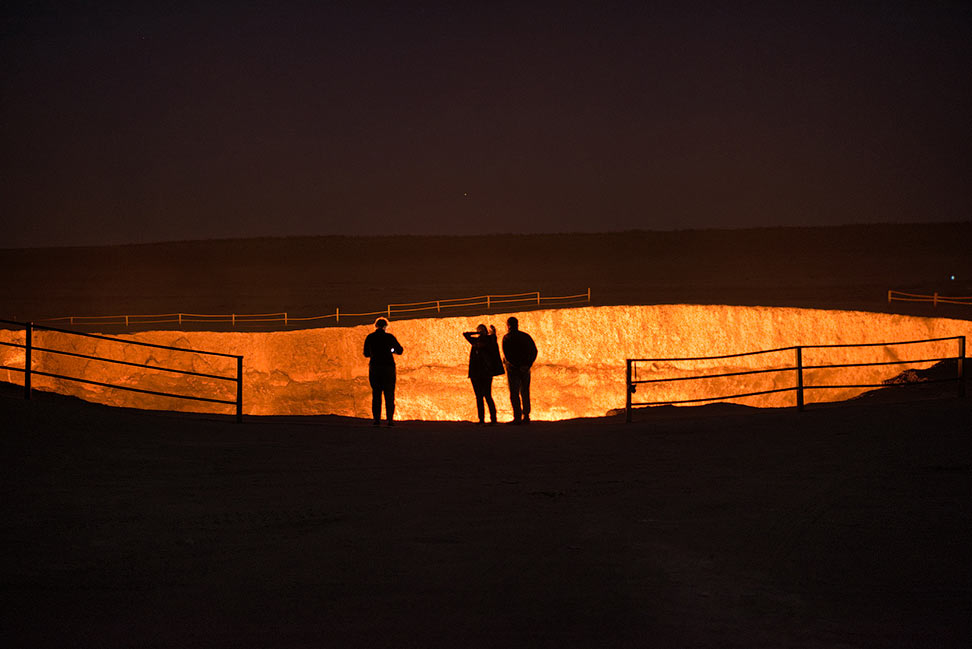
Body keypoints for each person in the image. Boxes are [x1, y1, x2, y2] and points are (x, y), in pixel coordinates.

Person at [363, 318, 403, 427]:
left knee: (376, 394)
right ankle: (390, 420)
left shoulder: (370, 337)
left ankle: (377, 420)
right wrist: (391, 350)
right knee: (389, 394)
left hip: (375, 368)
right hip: (388, 368)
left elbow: (366, 353)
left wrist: (374, 353)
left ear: (375, 326)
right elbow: (400, 350)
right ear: (386, 326)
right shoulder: (389, 337)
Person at [462, 324, 503, 425]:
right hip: (478, 373)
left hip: (484, 373)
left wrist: (490, 332)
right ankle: (483, 419)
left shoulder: (489, 341)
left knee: (486, 396)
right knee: (480, 397)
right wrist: (478, 333)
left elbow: (493, 337)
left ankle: (492, 419)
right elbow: (465, 334)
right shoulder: (476, 342)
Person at [501, 316, 537, 424]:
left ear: (508, 325)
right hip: (525, 369)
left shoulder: (507, 337)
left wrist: (516, 365)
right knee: (525, 392)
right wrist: (527, 364)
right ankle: (526, 416)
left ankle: (517, 417)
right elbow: (534, 351)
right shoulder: (526, 336)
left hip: (513, 370)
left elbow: (507, 354)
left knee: (514, 393)